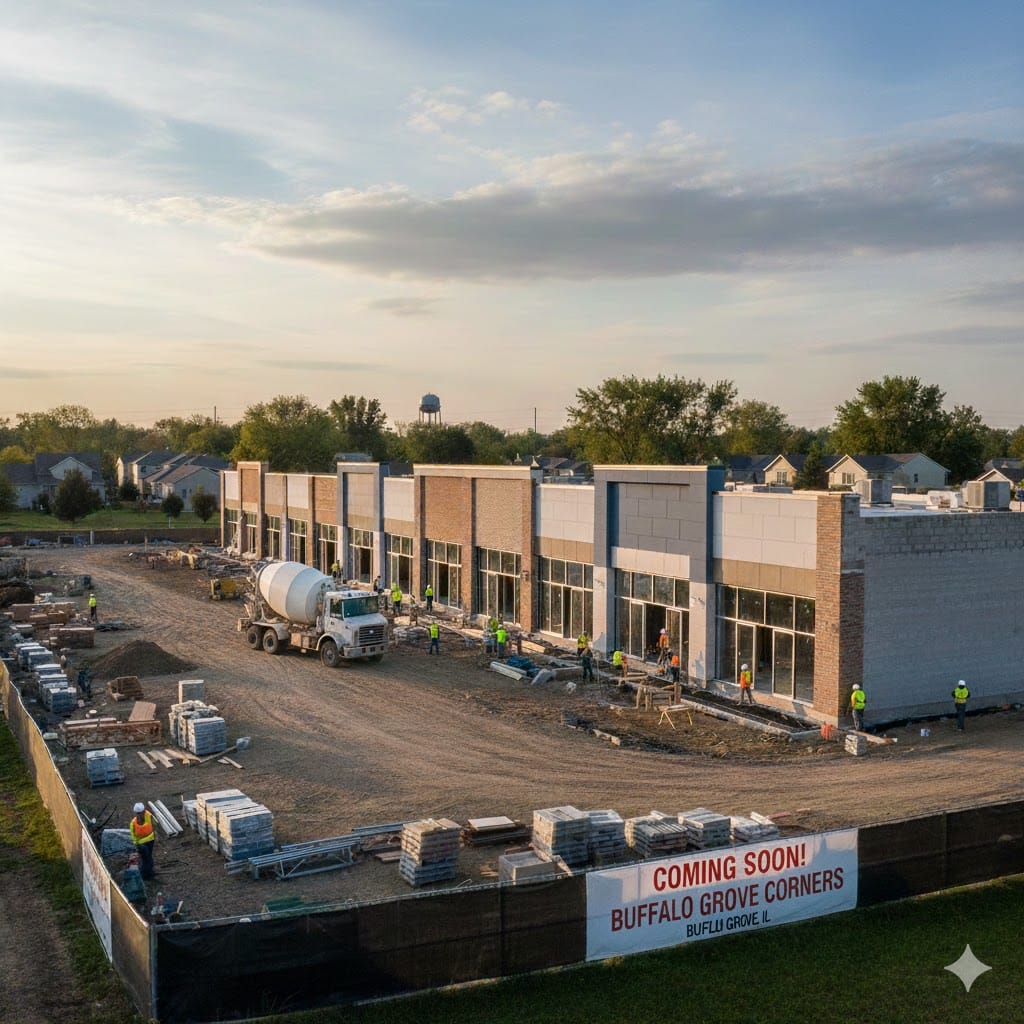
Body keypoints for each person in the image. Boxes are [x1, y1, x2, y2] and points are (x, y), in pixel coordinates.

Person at [130, 802, 156, 880]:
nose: (139, 814)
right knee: (146, 859)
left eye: (140, 813)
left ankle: (149, 873)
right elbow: (133, 835)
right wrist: (137, 844)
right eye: (137, 813)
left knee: (148, 858)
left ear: (143, 811)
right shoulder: (133, 823)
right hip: (141, 844)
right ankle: (145, 875)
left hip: (150, 840)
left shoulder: (149, 816)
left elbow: (154, 827)